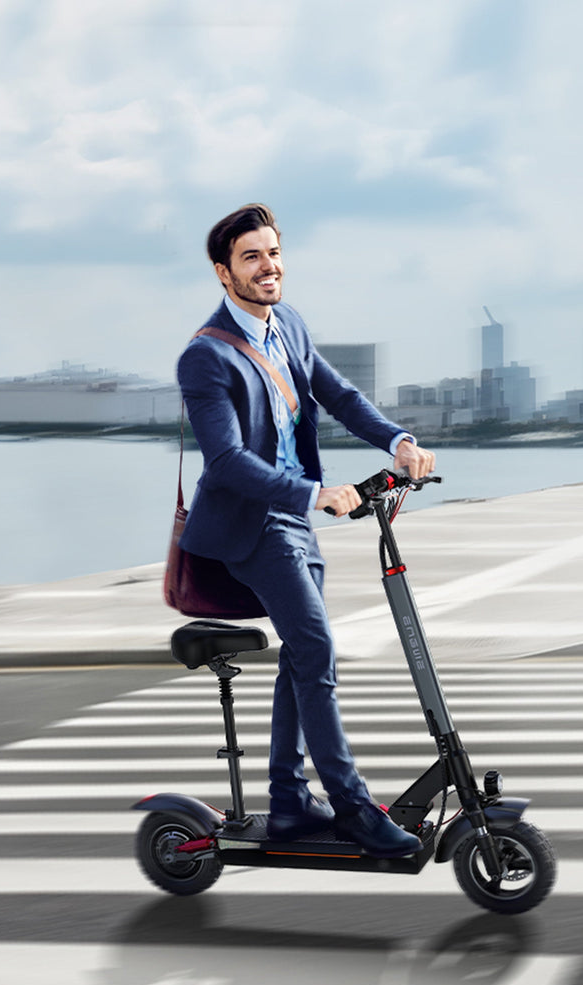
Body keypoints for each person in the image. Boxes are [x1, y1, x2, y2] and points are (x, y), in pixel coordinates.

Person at [177, 203, 436, 858]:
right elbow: (228, 462)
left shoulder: (287, 324)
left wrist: (397, 438)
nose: (269, 267)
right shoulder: (204, 358)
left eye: (273, 253)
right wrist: (313, 493)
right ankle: (350, 806)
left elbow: (338, 394)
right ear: (222, 272)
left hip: (293, 520)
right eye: (251, 257)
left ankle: (289, 802)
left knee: (301, 652)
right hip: (250, 523)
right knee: (315, 648)